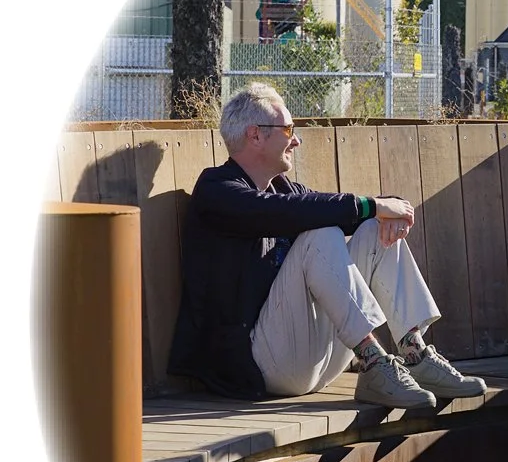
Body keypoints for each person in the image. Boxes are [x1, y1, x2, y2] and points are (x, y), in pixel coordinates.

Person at [168, 82, 486, 409]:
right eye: (288, 129)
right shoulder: (217, 190)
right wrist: (374, 205)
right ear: (255, 135)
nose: (296, 140)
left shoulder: (285, 190)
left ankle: (414, 353)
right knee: (321, 233)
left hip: (315, 359)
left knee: (373, 229)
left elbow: (334, 208)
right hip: (256, 366)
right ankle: (373, 360)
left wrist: (390, 209)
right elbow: (281, 212)